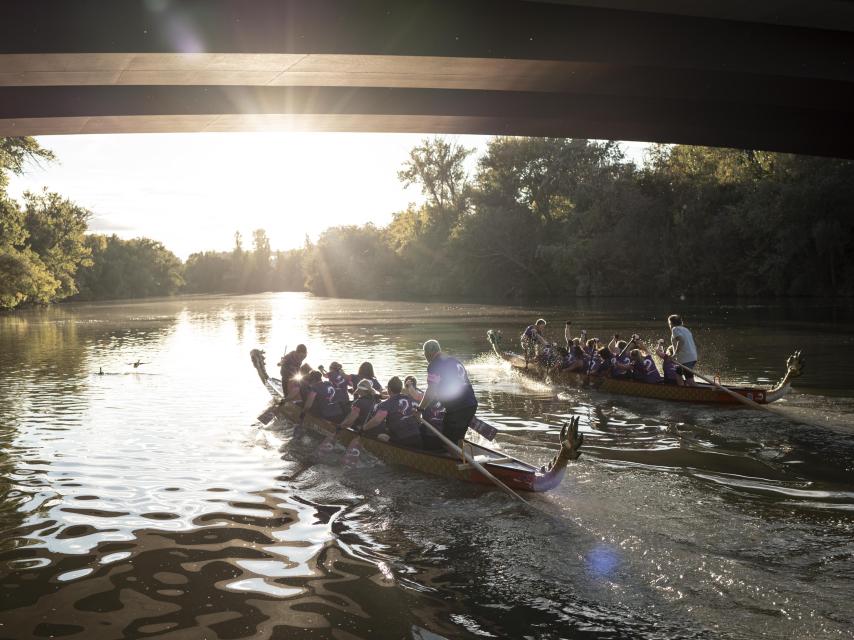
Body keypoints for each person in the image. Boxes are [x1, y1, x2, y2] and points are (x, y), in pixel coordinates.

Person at [418, 339, 478, 445]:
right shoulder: (454, 360)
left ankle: (453, 459)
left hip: (458, 408)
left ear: (428, 353)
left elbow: (431, 390)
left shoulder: (435, 364)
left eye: (425, 354)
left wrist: (420, 409)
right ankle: (461, 454)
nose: (425, 357)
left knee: (447, 441)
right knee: (458, 437)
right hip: (471, 404)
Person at [359, 377, 423, 448]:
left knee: (381, 436)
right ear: (400, 389)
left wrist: (363, 429)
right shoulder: (409, 398)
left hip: (402, 440)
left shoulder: (386, 404)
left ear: (389, 389)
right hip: (417, 437)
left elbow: (376, 421)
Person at [404, 375, 446, 451]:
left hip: (430, 434)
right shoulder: (445, 397)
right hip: (443, 432)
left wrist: (409, 385)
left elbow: (416, 396)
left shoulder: (425, 397)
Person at [668, 314, 698, 386]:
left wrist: (674, 354)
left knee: (690, 381)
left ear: (671, 323)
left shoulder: (675, 329)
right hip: (692, 357)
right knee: (678, 374)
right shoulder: (686, 329)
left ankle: (702, 395)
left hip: (686, 359)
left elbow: (681, 341)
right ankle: (682, 392)